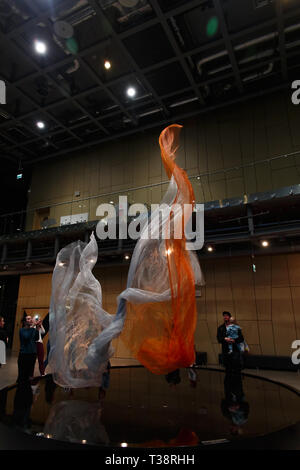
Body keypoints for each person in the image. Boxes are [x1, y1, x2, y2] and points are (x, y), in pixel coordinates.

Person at [17, 315, 39, 384]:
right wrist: (33, 326)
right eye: (28, 319)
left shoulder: (33, 329)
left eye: (31, 318)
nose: (31, 320)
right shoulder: (22, 330)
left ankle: (28, 389)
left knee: (30, 373)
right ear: (24, 322)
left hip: (32, 354)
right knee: (22, 374)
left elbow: (37, 338)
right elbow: (26, 337)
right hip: (24, 354)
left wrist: (37, 328)